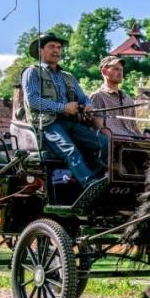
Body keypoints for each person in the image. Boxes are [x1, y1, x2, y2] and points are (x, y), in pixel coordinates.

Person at [21, 32, 108, 193]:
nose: (56, 50)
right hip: (46, 124)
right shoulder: (32, 72)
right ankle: (90, 186)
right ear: (41, 51)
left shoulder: (67, 76)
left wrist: (88, 105)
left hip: (70, 123)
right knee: (69, 149)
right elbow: (32, 100)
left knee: (104, 143)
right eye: (51, 46)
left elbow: (83, 98)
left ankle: (99, 179)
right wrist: (63, 108)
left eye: (59, 47)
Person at [90, 56, 145, 138]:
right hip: (118, 145)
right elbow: (100, 129)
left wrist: (144, 137)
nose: (120, 73)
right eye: (116, 69)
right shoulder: (97, 96)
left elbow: (134, 127)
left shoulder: (128, 99)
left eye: (121, 70)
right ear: (104, 72)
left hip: (134, 143)